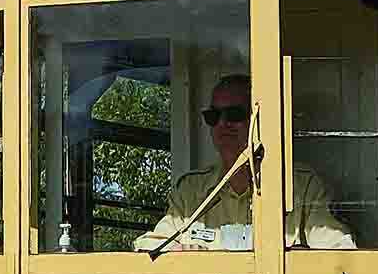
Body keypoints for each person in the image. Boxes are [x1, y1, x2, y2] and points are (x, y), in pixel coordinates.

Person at [136, 73, 353, 253]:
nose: (222, 124)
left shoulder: (302, 186)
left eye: (234, 114)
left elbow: (339, 249)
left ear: (259, 119)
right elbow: (149, 244)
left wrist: (295, 259)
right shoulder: (191, 191)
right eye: (213, 116)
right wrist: (179, 251)